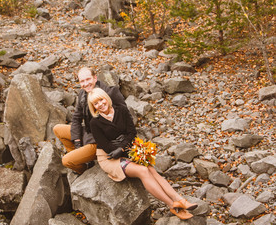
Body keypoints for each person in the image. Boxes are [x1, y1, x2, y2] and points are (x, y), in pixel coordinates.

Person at [87, 88, 197, 220]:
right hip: (109, 157)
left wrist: (121, 146)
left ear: (106, 98)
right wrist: (122, 144)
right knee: (143, 171)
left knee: (151, 169)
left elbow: (132, 133)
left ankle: (179, 199)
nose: (100, 104)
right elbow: (106, 146)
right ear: (93, 107)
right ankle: (172, 205)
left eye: (101, 100)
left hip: (126, 150)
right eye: (96, 103)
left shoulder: (121, 110)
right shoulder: (95, 123)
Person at [53, 67, 127, 174]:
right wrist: (77, 141)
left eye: (88, 79)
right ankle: (83, 162)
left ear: (95, 78)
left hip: (99, 142)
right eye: (82, 81)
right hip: (88, 133)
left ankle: (83, 171)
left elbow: (125, 118)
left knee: (66, 161)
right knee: (57, 129)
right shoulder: (83, 94)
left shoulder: (110, 93)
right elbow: (76, 118)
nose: (86, 83)